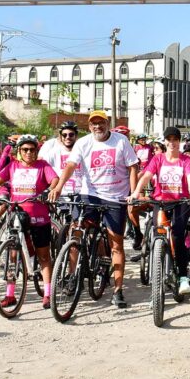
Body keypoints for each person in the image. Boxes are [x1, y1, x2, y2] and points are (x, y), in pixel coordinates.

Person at [52, 110, 140, 308]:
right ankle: (72, 276)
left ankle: (118, 290)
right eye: (94, 124)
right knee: (76, 233)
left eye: (101, 123)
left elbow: (133, 167)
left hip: (115, 196)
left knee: (116, 243)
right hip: (89, 193)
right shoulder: (83, 143)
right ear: (89, 126)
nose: (97, 127)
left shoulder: (120, 141)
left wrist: (133, 194)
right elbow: (71, 165)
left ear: (107, 124)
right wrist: (58, 187)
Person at [0, 134, 59, 309]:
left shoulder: (43, 165)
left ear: (36, 150)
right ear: (19, 151)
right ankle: (10, 294)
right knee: (13, 256)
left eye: (32, 149)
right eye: (25, 149)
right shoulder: (12, 166)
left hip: (39, 217)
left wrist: (49, 190)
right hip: (17, 216)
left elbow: (55, 180)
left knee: (43, 256)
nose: (28, 153)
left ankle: (48, 293)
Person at [135, 126, 190, 296]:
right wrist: (136, 192)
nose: (172, 143)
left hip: (181, 203)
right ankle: (157, 276)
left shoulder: (185, 160)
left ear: (179, 142)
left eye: (175, 140)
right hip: (161, 202)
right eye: (169, 139)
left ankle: (182, 276)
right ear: (165, 142)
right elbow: (147, 176)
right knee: (158, 235)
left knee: (178, 237)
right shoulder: (158, 159)